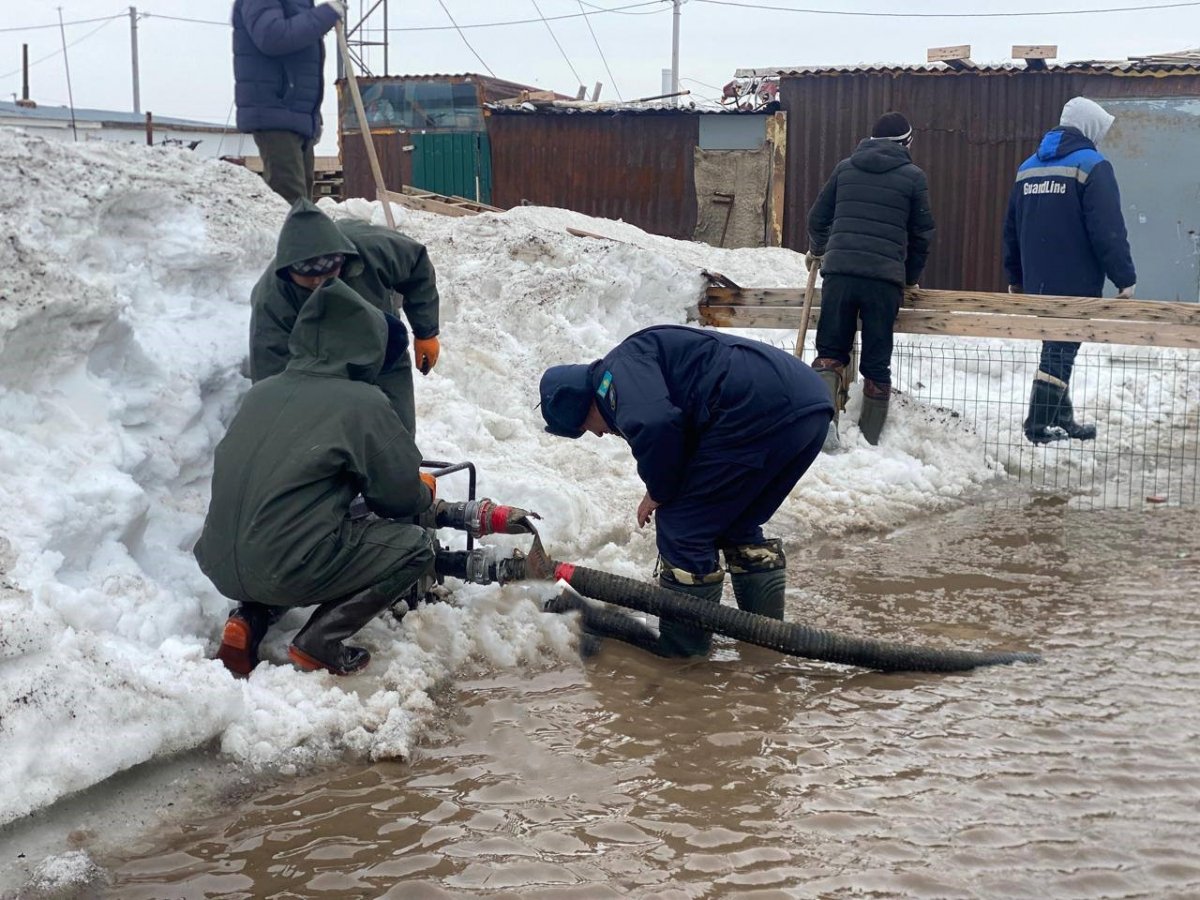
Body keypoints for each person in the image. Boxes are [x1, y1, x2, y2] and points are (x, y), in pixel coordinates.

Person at [538, 325, 834, 658]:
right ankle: (766, 644)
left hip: (755, 409)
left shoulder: (616, 375)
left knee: (683, 527)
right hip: (809, 407)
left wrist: (659, 491)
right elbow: (681, 425)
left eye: (583, 428)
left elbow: (655, 423)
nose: (596, 435)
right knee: (737, 524)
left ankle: (683, 655)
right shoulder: (632, 363)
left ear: (580, 406)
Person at [195, 279, 438, 676]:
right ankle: (320, 641)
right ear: (367, 346)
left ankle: (247, 622)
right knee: (414, 547)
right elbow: (396, 498)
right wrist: (422, 494)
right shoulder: (361, 402)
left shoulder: (263, 392)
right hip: (286, 563)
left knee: (288, 537)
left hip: (221, 562)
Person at [1004, 97, 1136, 445]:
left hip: (1038, 280)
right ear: (1089, 128)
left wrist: (1016, 277)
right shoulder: (1093, 165)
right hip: (1076, 281)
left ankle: (1062, 418)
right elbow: (1108, 229)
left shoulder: (1028, 167)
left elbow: (1012, 229)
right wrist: (1124, 277)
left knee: (1055, 345)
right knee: (1061, 351)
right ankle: (1037, 425)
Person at [250, 198, 440, 436]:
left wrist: (426, 331)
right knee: (331, 428)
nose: (319, 282)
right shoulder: (272, 298)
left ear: (342, 257)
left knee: (394, 420)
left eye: (328, 272)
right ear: (290, 270)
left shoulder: (373, 247)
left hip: (382, 341)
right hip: (321, 360)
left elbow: (417, 266)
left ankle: (399, 469)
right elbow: (270, 369)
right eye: (309, 277)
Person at [805, 111, 936, 450]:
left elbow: (817, 218)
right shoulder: (913, 176)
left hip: (840, 274)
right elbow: (922, 234)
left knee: (830, 353)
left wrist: (818, 250)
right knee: (876, 363)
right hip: (883, 280)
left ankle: (822, 432)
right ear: (906, 142)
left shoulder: (845, 168)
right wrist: (909, 278)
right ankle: (870, 444)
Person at [232, 0, 346, 204]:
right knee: (290, 201)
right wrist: (325, 14)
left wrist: (311, 118)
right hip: (275, 110)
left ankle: (300, 236)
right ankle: (290, 236)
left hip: (296, 114)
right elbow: (272, 36)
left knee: (302, 202)